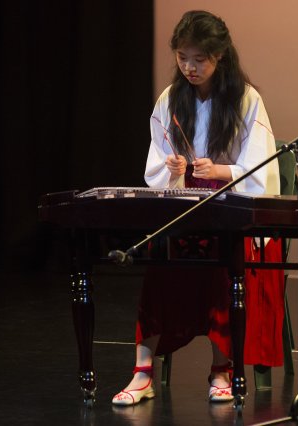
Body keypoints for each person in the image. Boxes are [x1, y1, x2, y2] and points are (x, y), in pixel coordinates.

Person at [112, 10, 285, 406]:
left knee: (224, 262)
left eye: (199, 59)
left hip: (232, 213)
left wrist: (221, 170)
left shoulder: (246, 99)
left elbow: (261, 170)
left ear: (219, 55)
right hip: (188, 212)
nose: (189, 67)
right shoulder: (170, 100)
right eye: (182, 58)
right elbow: (157, 166)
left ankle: (222, 368)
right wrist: (173, 169)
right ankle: (142, 371)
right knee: (160, 259)